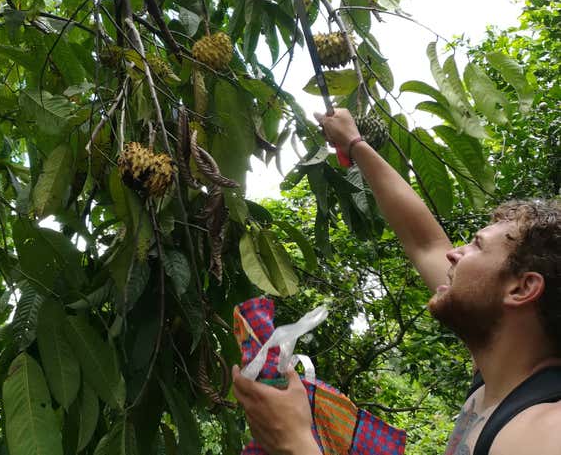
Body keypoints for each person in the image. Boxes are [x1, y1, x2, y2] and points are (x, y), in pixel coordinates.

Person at [232, 108, 561, 455]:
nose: (454, 253)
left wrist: (294, 441)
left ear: (522, 288)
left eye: (476, 245)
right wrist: (354, 143)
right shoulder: (499, 377)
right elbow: (425, 243)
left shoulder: (542, 432)